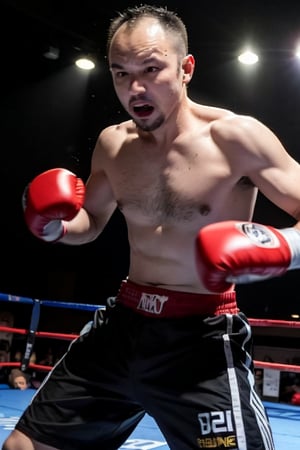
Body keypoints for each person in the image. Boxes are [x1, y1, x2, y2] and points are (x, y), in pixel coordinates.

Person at [3, 4, 300, 449]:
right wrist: (54, 228)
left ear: (186, 69)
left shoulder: (237, 137)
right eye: (120, 72)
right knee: (24, 446)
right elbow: (92, 220)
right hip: (123, 325)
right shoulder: (113, 144)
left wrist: (281, 247)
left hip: (200, 336)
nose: (135, 87)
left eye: (151, 68)